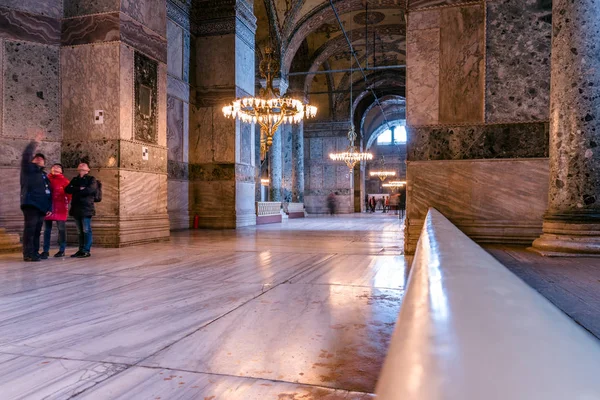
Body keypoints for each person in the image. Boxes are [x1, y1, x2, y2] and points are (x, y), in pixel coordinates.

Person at [20, 133, 52, 262]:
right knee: (30, 229)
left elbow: (48, 192)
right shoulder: (28, 169)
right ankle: (28, 253)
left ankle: (35, 252)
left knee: (38, 230)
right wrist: (35, 142)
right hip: (31, 204)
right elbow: (26, 155)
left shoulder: (44, 175)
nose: (39, 159)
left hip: (41, 207)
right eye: (36, 158)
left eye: (41, 159)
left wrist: (49, 207)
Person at [65, 162, 97, 258]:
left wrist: (76, 190)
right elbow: (67, 189)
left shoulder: (91, 179)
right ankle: (80, 249)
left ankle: (86, 250)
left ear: (88, 169)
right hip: (76, 207)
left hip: (86, 207)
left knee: (86, 229)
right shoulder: (75, 179)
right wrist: (80, 188)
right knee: (79, 231)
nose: (82, 165)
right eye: (80, 165)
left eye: (84, 165)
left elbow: (90, 190)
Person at [41, 163, 71, 259]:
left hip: (60, 207)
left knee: (61, 229)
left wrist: (65, 203)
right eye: (54, 166)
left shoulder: (65, 181)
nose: (55, 168)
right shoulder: (46, 179)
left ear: (61, 171)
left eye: (58, 167)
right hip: (48, 207)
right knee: (47, 230)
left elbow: (69, 195)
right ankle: (45, 251)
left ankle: (62, 250)